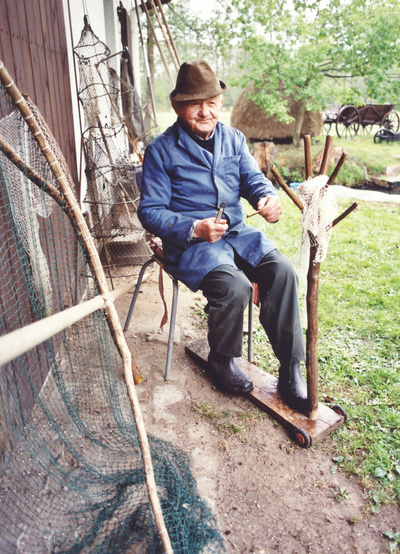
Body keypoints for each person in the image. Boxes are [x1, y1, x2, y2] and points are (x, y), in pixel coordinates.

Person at [138, 59, 307, 412]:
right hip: (192, 246)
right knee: (235, 286)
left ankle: (291, 369)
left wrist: (266, 196)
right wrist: (193, 227)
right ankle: (222, 360)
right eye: (195, 103)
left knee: (282, 271)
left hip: (239, 234)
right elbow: (149, 212)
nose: (205, 111)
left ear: (220, 102)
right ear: (177, 106)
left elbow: (251, 179)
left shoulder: (233, 138)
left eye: (212, 102)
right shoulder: (160, 150)